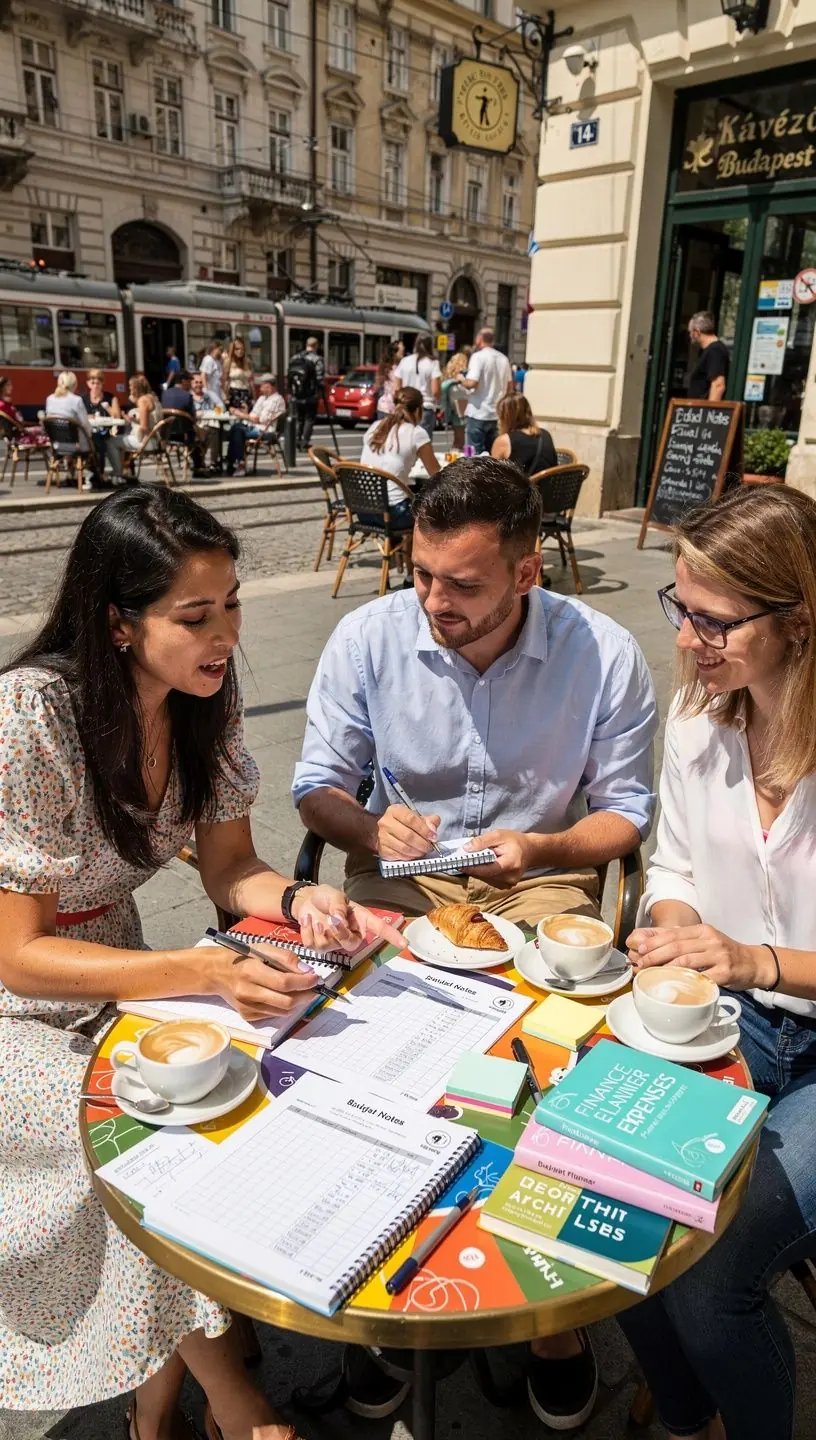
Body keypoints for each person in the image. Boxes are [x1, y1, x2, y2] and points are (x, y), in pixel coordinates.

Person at [0, 485, 402, 1439]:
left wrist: (298, 900)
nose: (224, 637)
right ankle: (236, 1403)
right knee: (138, 1144)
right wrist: (206, 970)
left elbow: (230, 868)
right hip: (22, 993)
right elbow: (19, 956)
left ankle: (156, 1406)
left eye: (232, 606)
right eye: (195, 617)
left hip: (118, 961)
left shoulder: (202, 701)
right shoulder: (31, 715)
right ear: (120, 623)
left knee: (231, 1104)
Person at [293, 457, 657, 1432]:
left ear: (527, 574)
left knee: (537, 1068)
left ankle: (548, 1315)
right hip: (402, 871)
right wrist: (368, 828)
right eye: (421, 573)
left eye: (461, 584)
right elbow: (318, 785)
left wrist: (544, 846)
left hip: (537, 875)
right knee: (373, 1063)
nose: (432, 601)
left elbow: (625, 813)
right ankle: (378, 1276)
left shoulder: (603, 653)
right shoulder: (371, 636)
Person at [617, 484, 816, 1440]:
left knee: (709, 1278)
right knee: (610, 1202)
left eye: (714, 620)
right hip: (729, 1019)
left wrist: (754, 960)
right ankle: (687, 1412)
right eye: (680, 607)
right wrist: (673, 935)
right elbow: (675, 865)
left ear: (799, 619)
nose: (688, 638)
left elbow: (756, 960)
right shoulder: (702, 718)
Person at [357, 384, 440, 540]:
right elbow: (436, 475)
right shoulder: (417, 433)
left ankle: (399, 550)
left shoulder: (375, 427)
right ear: (418, 410)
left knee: (410, 494)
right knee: (434, 511)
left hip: (363, 510)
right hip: (394, 514)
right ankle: (419, 555)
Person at [460, 328, 514, 454]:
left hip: (478, 412)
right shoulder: (503, 359)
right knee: (494, 455)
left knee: (473, 455)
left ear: (479, 339)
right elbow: (510, 387)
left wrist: (461, 379)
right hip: (496, 414)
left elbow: (472, 382)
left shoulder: (478, 357)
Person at [45, 371, 100, 489]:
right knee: (97, 441)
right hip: (76, 445)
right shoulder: (76, 400)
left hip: (57, 445)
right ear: (74, 384)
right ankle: (94, 477)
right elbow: (85, 424)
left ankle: (71, 475)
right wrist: (90, 436)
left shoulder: (49, 399)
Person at [225, 375, 286, 475]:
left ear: (269, 386)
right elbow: (253, 415)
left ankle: (238, 464)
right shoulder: (262, 398)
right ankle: (234, 462)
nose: (260, 387)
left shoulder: (276, 400)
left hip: (266, 430)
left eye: (262, 385)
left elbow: (260, 420)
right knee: (235, 428)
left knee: (237, 430)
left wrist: (240, 414)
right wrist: (244, 413)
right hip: (255, 427)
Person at [106, 375, 163, 481]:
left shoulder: (143, 401)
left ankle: (117, 473)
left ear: (136, 388)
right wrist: (133, 420)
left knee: (111, 442)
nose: (129, 388)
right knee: (121, 440)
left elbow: (144, 427)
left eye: (130, 386)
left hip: (146, 442)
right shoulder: (153, 397)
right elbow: (149, 421)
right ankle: (123, 472)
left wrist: (134, 432)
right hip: (155, 440)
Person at [491, 393, 558, 475]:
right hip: (549, 483)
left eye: (500, 415)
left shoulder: (504, 441)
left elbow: (492, 476)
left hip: (521, 483)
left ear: (506, 417)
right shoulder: (545, 434)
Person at [396, 334, 441, 440]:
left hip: (406, 407)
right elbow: (435, 391)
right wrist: (438, 401)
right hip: (425, 407)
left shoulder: (404, 361)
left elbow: (397, 388)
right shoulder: (433, 363)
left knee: (405, 440)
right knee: (422, 442)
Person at [82, 368, 122, 483]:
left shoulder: (110, 398)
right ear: (88, 383)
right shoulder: (83, 399)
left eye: (98, 383)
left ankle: (99, 473)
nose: (95, 385)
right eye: (92, 382)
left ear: (102, 383)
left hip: (108, 432)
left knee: (99, 440)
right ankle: (97, 473)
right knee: (95, 439)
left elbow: (117, 417)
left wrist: (107, 407)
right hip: (89, 433)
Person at [288, 336, 324, 451]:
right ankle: (304, 442)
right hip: (310, 395)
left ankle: (296, 440)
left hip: (296, 394)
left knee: (299, 418)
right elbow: (319, 377)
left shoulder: (295, 358)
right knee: (309, 418)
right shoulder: (317, 359)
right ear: (316, 346)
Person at [687, 311, 730, 401]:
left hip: (705, 408)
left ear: (697, 332)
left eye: (690, 332)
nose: (690, 336)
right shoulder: (710, 350)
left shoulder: (715, 350)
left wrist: (709, 408)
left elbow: (718, 385)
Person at [0, 374, 48, 447]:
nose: (11, 387)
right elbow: (18, 422)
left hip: (15, 433)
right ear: (2, 387)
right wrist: (34, 424)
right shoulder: (4, 405)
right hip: (19, 435)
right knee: (45, 430)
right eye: (8, 385)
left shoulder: (4, 403)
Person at [441, 350, 470, 450]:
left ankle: (455, 455)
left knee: (458, 440)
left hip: (455, 411)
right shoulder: (463, 379)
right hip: (463, 411)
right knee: (461, 441)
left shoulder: (449, 381)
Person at [375, 340, 405, 420]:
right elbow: (396, 390)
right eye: (402, 352)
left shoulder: (385, 367)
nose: (404, 355)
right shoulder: (397, 369)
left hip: (382, 407)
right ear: (394, 353)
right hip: (392, 409)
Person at [223, 335, 254, 411]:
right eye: (237, 349)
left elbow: (251, 381)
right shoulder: (228, 362)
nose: (240, 351)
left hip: (246, 392)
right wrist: (225, 396)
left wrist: (254, 397)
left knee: (246, 413)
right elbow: (225, 381)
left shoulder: (247, 362)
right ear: (232, 350)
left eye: (242, 349)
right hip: (233, 392)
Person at [200, 341, 225, 408]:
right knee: (220, 406)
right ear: (213, 349)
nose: (220, 352)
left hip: (217, 389)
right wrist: (205, 389)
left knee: (219, 408)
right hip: (210, 389)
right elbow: (203, 374)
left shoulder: (217, 361)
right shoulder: (208, 359)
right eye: (219, 350)